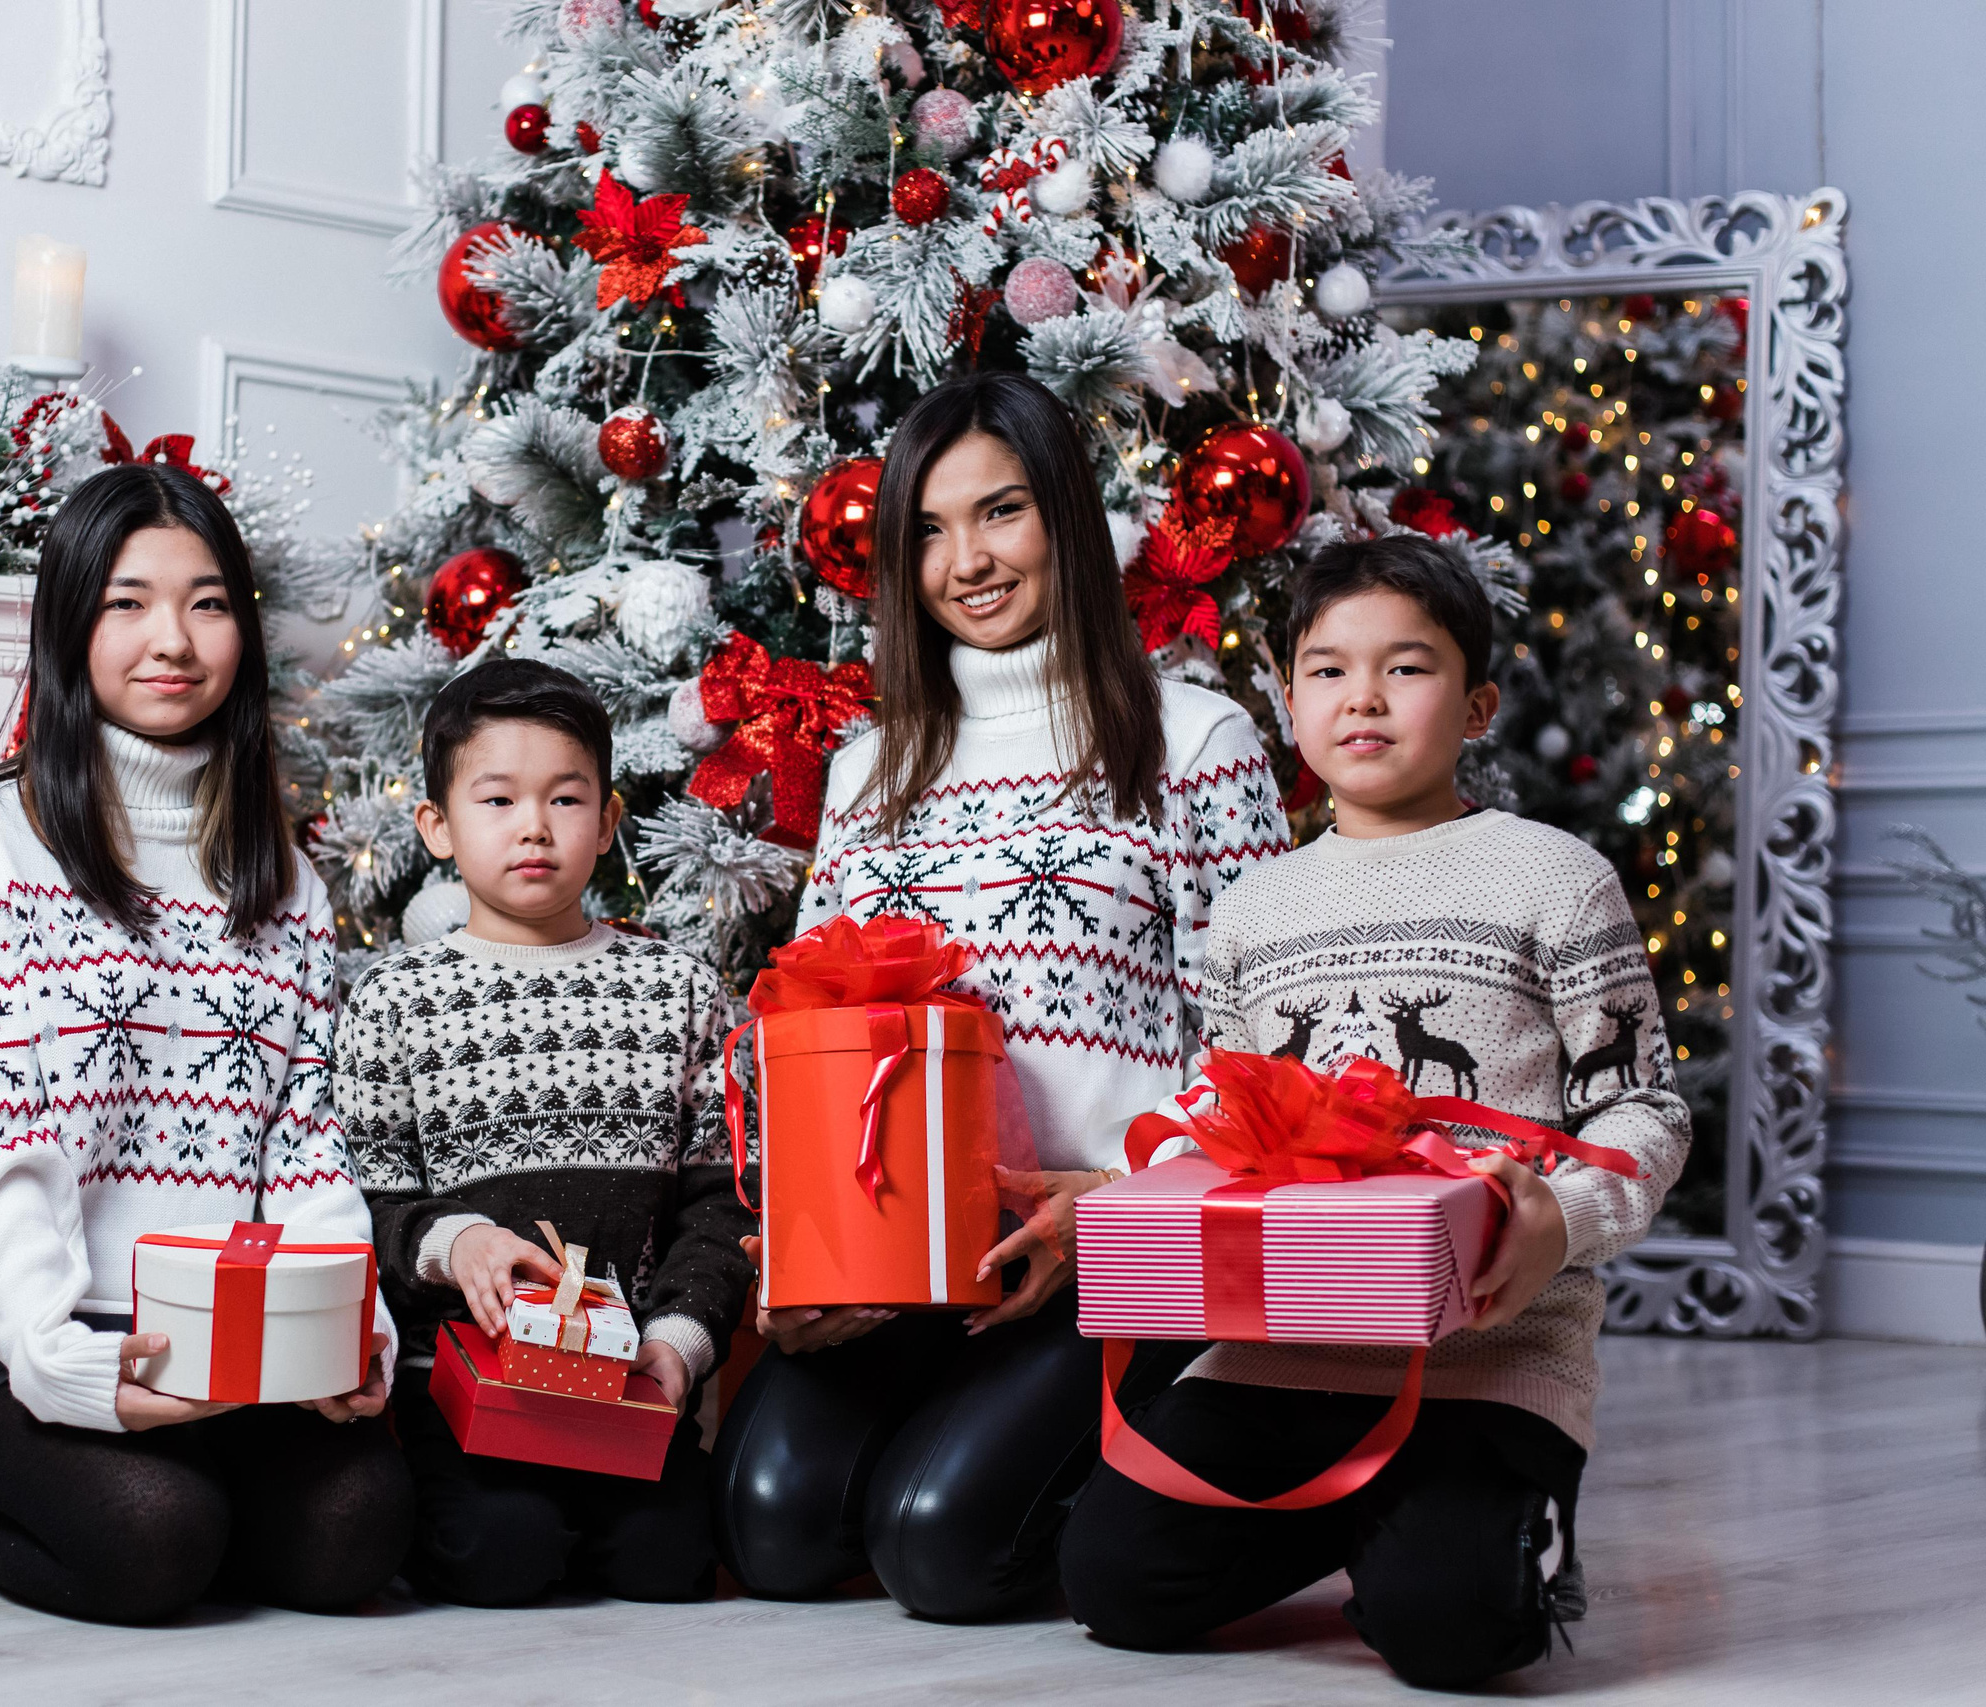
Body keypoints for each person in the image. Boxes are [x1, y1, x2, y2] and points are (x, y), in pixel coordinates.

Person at [1058, 534, 1692, 1688]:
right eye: (1327, 669)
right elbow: (1223, 1098)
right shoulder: (1254, 907)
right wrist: (1137, 1185)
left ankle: (1480, 1531)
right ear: (1287, 698)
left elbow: (1642, 1106)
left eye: (1406, 668)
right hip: (1280, 1353)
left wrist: (1556, 1217)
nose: (1363, 697)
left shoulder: (1552, 877)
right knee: (1114, 1583)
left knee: (1455, 1637)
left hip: (1487, 1350)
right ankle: (1363, 1521)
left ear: (1478, 701)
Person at [711, 372, 1290, 1620]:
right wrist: (810, 1258)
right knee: (773, 1533)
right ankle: (945, 1438)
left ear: (1064, 523)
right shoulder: (873, 764)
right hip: (903, 1250)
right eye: (926, 528)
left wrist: (1125, 1205)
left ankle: (1129, 1448)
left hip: (1098, 1249)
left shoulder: (1192, 742)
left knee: (940, 1551)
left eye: (1001, 513)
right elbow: (812, 1027)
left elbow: (1260, 1047)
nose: (964, 559)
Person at [0, 464, 412, 1624]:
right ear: (70, 621)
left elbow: (305, 1146)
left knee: (355, 1541)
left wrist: (347, 1325)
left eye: (207, 603)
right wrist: (59, 1361)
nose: (174, 639)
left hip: (208, 1333)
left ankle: (176, 1485)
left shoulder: (285, 879)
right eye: (127, 601)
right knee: (155, 1540)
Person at [336, 658, 756, 1607]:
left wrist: (682, 1339)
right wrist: (457, 1242)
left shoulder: (676, 990)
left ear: (607, 823)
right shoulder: (395, 1000)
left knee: (671, 1566)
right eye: (498, 800)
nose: (534, 826)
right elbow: (370, 1198)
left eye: (565, 799)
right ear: (437, 828)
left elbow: (725, 1199)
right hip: (468, 1390)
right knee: (503, 1554)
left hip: (626, 1387)